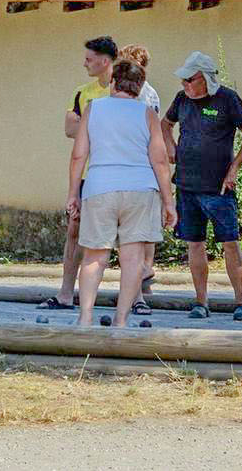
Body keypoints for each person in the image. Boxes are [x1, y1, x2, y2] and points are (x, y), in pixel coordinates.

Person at [67, 57, 175, 328]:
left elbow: (79, 154)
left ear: (113, 81)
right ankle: (121, 319)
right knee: (133, 258)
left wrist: (73, 193)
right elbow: (160, 160)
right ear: (139, 87)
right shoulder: (148, 114)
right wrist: (168, 201)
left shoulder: (94, 109)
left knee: (94, 255)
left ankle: (85, 316)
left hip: (100, 186)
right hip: (140, 188)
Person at [164, 50, 242, 320]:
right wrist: (171, 147)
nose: (185, 85)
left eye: (190, 80)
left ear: (205, 78)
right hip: (187, 184)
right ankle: (200, 302)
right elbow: (165, 124)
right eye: (183, 80)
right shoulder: (181, 99)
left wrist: (234, 168)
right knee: (194, 243)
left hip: (219, 188)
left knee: (231, 242)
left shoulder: (227, 98)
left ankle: (241, 302)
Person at [45, 36, 121, 312]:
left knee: (126, 234)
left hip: (117, 175)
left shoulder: (125, 89)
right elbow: (69, 129)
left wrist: (89, 126)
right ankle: (66, 293)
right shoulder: (82, 92)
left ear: (105, 61)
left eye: (89, 59)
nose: (84, 64)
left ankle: (136, 298)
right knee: (75, 230)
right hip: (88, 174)